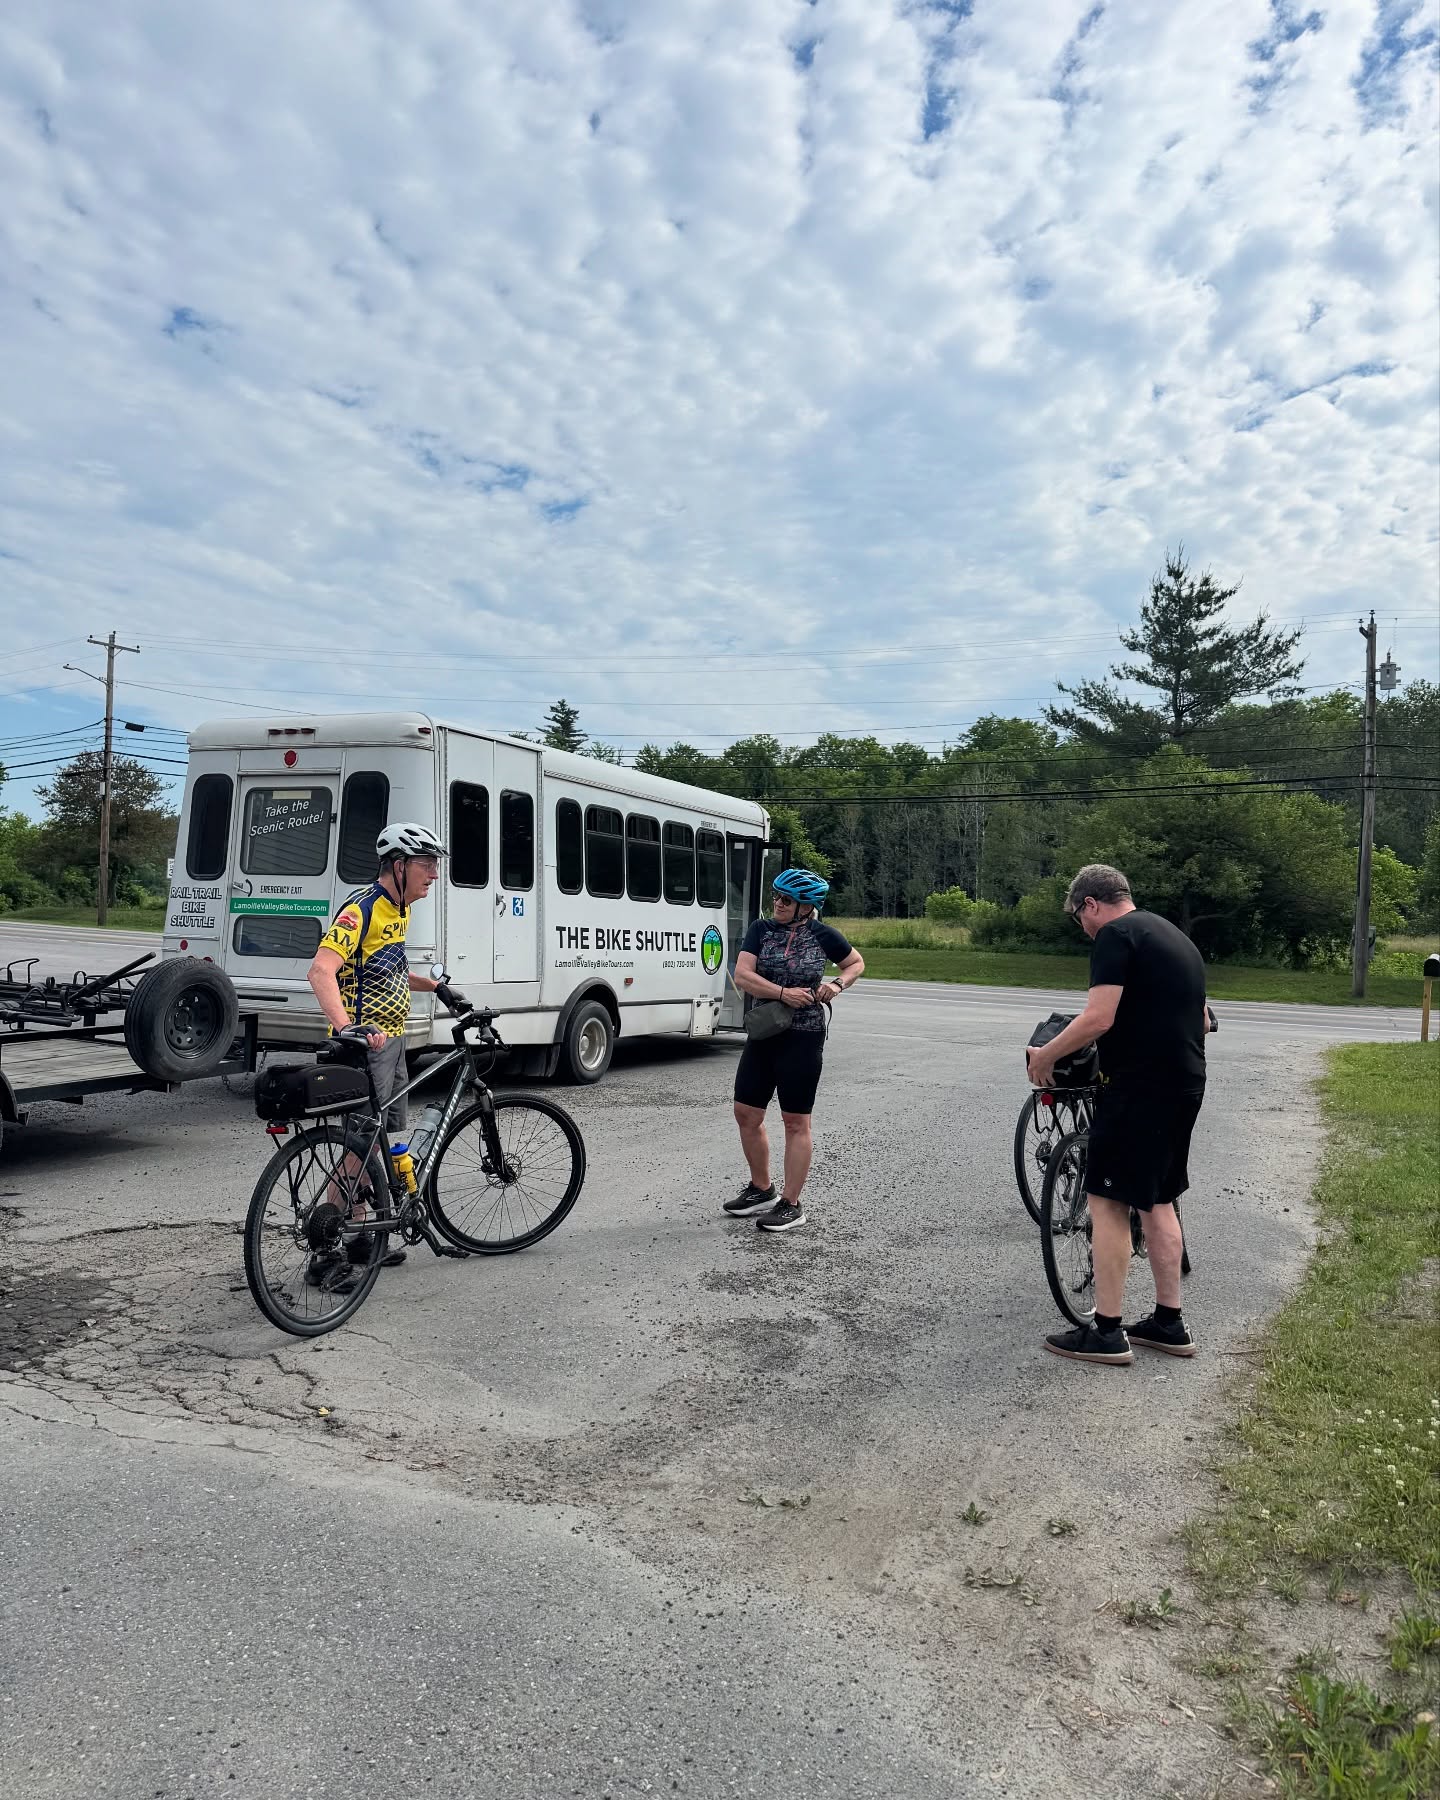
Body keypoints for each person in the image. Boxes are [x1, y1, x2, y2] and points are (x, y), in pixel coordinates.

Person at [1025, 863, 1209, 1366]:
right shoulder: (1173, 935)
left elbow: (1099, 1017)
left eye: (1077, 918)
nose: (1082, 929)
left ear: (1090, 905)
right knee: (1159, 1199)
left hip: (1138, 1088)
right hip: (1186, 1082)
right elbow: (1203, 1017)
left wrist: (1045, 1055)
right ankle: (1168, 1323)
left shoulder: (1116, 936)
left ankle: (1106, 1331)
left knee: (1107, 1200)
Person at [305, 822, 450, 1281]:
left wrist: (436, 988)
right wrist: (348, 1028)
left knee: (383, 1144)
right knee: (358, 1148)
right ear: (399, 866)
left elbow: (385, 970)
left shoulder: (399, 909)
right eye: (426, 865)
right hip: (363, 1051)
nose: (433, 874)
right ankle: (325, 1253)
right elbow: (320, 971)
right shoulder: (362, 910)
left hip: (394, 1043)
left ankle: (363, 1236)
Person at [725, 868, 865, 1233]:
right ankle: (761, 1188)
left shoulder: (823, 935)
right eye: (775, 895)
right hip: (765, 1030)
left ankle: (791, 1203)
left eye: (786, 899)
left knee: (795, 1120)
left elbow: (855, 963)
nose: (778, 903)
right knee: (746, 1112)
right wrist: (783, 993)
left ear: (807, 907)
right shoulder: (761, 930)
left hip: (804, 1035)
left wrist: (837, 983)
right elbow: (742, 976)